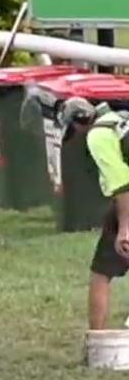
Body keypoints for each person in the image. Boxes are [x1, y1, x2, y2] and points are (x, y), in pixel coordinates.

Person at [57, 98, 129, 331]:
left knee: (101, 272)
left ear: (80, 122)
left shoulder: (98, 135)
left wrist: (125, 228)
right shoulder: (119, 119)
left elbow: (122, 184)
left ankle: (98, 340)